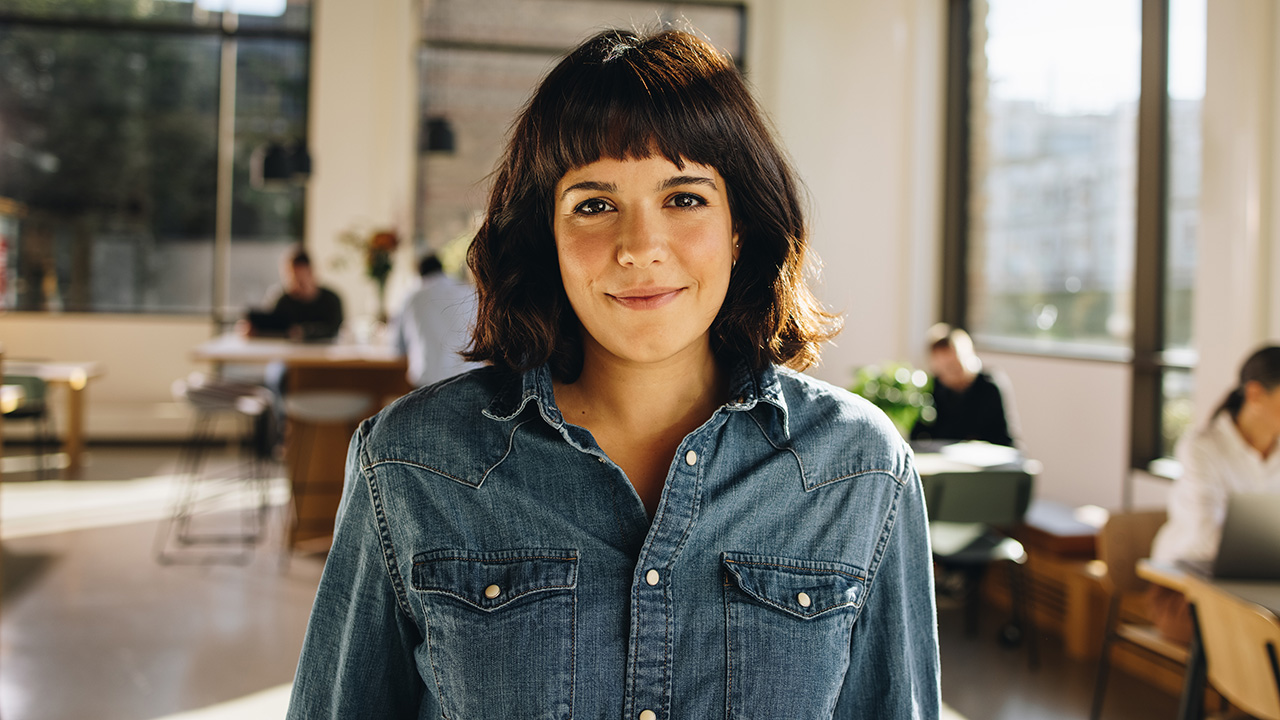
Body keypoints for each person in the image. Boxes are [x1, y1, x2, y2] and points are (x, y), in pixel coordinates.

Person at [288, 28, 940, 719]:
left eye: (684, 198)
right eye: (594, 205)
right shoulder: (410, 463)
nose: (639, 248)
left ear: (740, 225)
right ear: (548, 235)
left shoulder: (863, 473)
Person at [1147, 346, 1280, 642]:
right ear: (1256, 394)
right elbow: (1208, 538)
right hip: (1186, 590)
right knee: (1256, 639)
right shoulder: (1202, 448)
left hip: (1262, 590)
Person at [911, 322, 1018, 447]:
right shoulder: (930, 390)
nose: (951, 375)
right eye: (944, 369)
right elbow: (917, 437)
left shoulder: (989, 386)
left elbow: (1005, 439)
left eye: (955, 367)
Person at [390, 253, 482, 387]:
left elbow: (398, 347)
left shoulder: (412, 297)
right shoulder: (468, 291)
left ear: (420, 273)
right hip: (470, 376)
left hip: (428, 380)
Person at [243, 245, 343, 342]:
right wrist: (255, 331)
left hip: (322, 356)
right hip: (288, 355)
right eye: (290, 280)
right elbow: (273, 328)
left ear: (311, 273)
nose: (295, 285)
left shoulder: (331, 300)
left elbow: (335, 330)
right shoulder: (283, 300)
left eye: (300, 280)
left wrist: (304, 331)